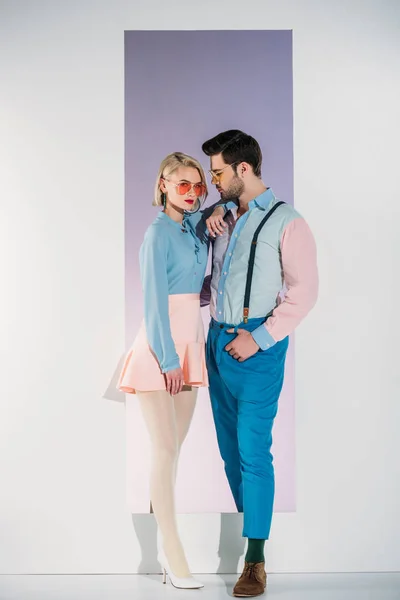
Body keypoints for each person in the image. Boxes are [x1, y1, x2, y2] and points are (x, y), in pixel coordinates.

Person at [202, 130, 319, 597]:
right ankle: (252, 536)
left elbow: (304, 292)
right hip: (216, 343)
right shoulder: (224, 218)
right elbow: (214, 279)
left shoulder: (289, 222)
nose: (213, 181)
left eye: (217, 173)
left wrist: (261, 337)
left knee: (254, 454)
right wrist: (209, 217)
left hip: (257, 351)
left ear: (242, 170)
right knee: (231, 456)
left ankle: (255, 560)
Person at [117, 152, 223, 590]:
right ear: (162, 184)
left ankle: (157, 548)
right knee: (164, 451)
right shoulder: (157, 234)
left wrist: (215, 208)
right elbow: (153, 302)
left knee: (173, 453)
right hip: (161, 352)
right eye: (182, 184)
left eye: (199, 185)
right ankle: (172, 555)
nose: (193, 192)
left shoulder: (192, 229)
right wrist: (167, 359)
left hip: (190, 345)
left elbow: (197, 285)